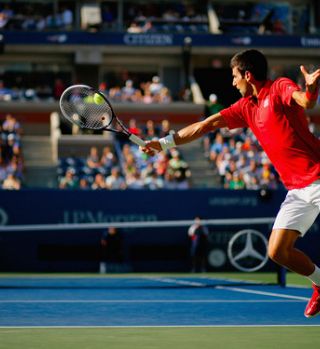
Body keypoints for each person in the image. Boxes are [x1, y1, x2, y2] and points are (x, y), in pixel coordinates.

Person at [141, 49, 320, 318]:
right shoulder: (246, 108)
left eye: (235, 76)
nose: (232, 82)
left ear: (248, 75)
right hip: (297, 190)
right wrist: (164, 143)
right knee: (278, 251)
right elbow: (206, 124)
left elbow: (304, 101)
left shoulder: (279, 86)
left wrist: (311, 92)